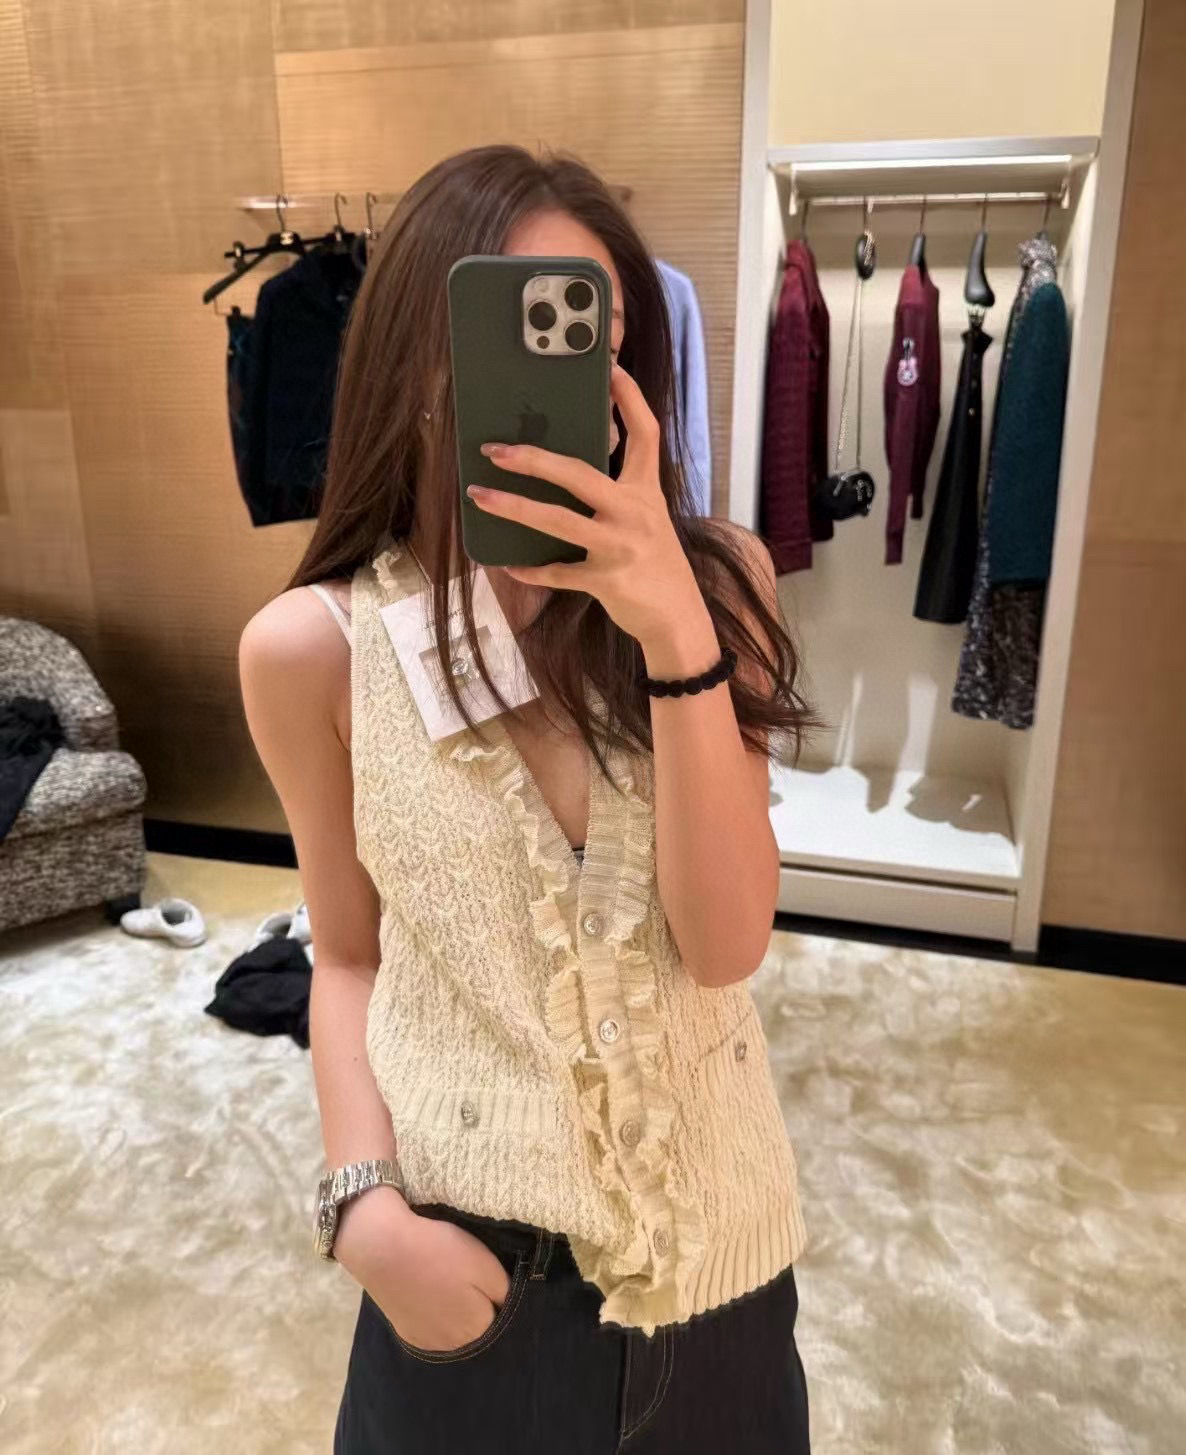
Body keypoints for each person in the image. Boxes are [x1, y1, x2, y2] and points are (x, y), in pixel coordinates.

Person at [238, 143, 822, 1454]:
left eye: (593, 334)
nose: (560, 370)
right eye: (509, 327)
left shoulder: (720, 585)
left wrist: (675, 627)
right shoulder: (312, 651)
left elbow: (726, 945)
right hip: (464, 1286)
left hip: (720, 1276)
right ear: (416, 358)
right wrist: (362, 1211)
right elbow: (345, 954)